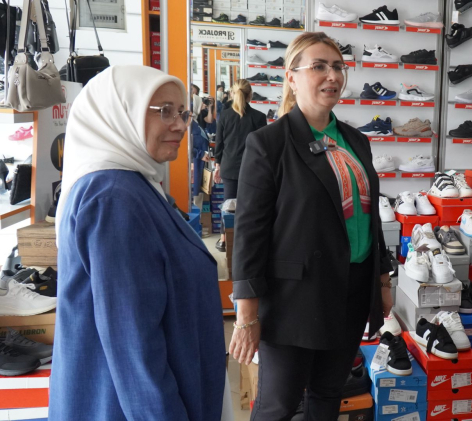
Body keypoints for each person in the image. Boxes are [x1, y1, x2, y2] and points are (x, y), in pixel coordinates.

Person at [229, 32, 393, 420]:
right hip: (294, 300)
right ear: (291, 76)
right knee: (279, 404)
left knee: (328, 394)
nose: (331, 76)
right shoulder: (268, 143)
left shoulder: (356, 141)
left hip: (351, 290)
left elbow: (370, 218)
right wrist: (246, 315)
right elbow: (249, 234)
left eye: (337, 67)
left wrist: (382, 281)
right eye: (318, 66)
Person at [49, 66, 226, 420]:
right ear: (120, 112)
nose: (180, 125)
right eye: (164, 111)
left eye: (182, 112)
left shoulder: (134, 184)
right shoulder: (113, 198)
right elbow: (134, 347)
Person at [212, 79, 266, 251]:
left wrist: (217, 165)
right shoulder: (259, 117)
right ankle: (246, 240)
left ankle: (224, 239)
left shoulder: (225, 115)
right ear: (250, 95)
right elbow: (262, 148)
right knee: (249, 205)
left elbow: (219, 144)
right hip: (252, 169)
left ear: (232, 94)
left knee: (228, 205)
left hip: (229, 167)